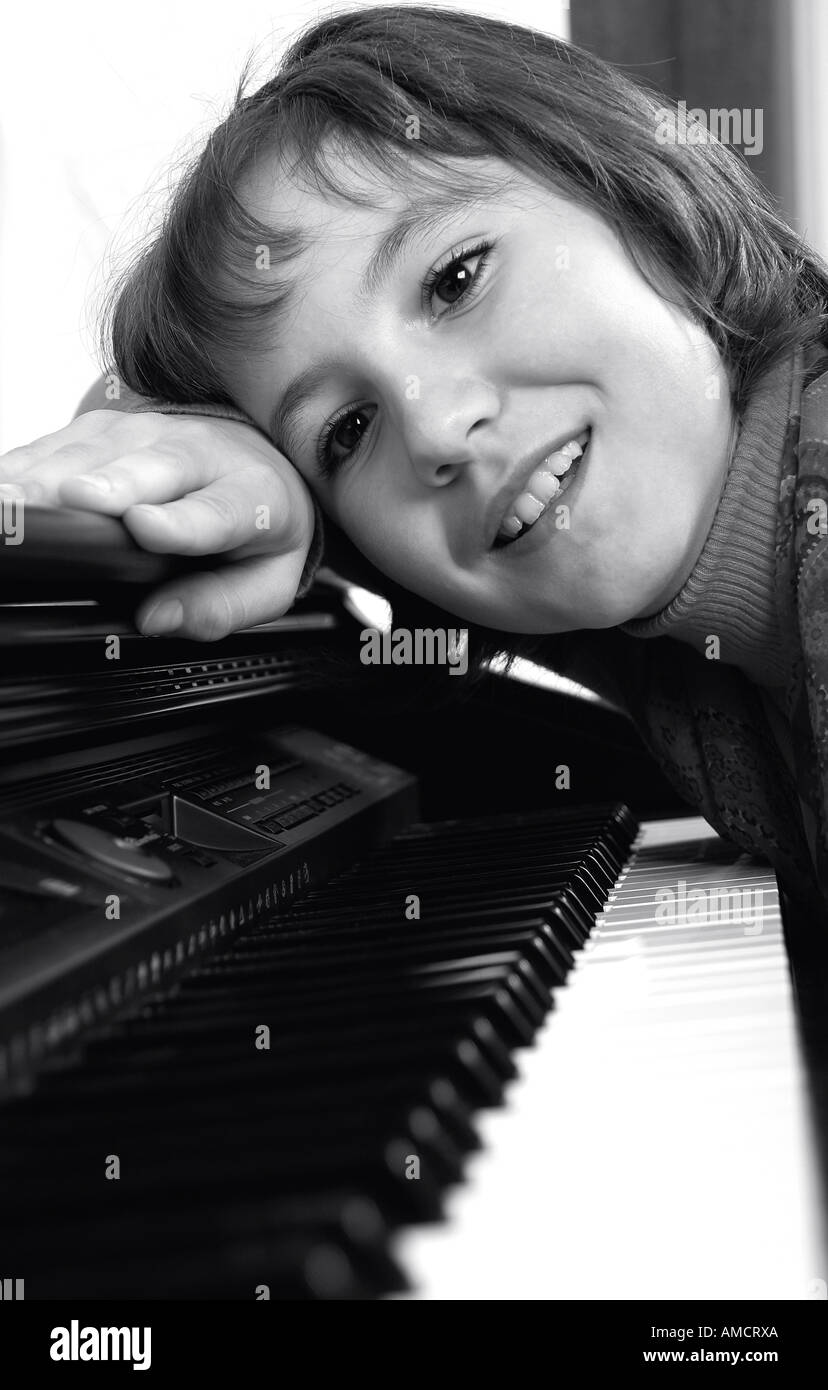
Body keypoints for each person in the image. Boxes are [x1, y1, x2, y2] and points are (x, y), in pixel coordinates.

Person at [3, 6, 828, 924]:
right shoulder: (589, 566)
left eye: (457, 279)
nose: (434, 430)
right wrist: (241, 462)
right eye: (348, 430)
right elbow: (117, 420)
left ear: (643, 194)